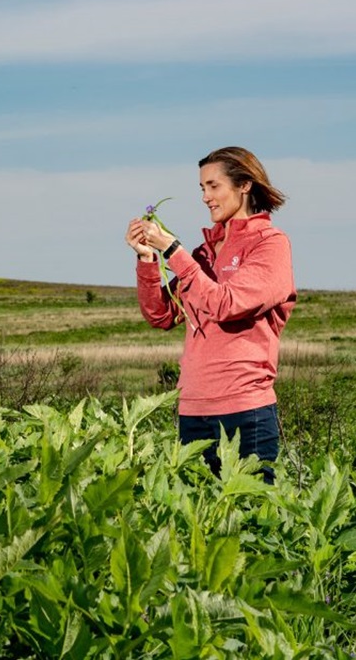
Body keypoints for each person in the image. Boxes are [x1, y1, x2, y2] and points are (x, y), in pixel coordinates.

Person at [125, 146, 295, 484]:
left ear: (244, 185)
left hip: (246, 412)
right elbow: (160, 314)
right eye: (202, 188)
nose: (205, 197)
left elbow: (225, 305)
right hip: (193, 410)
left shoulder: (270, 244)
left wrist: (173, 251)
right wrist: (147, 260)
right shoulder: (203, 254)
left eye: (213, 186)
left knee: (250, 525)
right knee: (196, 526)